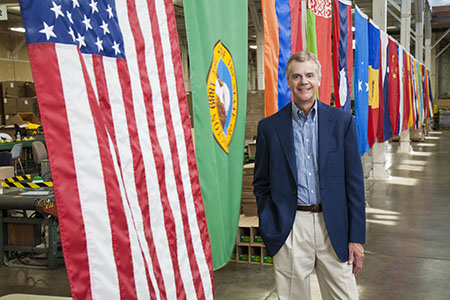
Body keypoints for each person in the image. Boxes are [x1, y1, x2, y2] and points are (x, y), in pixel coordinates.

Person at [253, 51, 365, 300]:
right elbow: (261, 183)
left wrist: (356, 237)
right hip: (291, 226)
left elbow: (354, 184)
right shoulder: (269, 128)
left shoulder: (342, 122)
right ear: (289, 81)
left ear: (319, 79)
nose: (303, 81)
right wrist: (269, 225)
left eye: (309, 75)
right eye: (297, 76)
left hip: (333, 225)